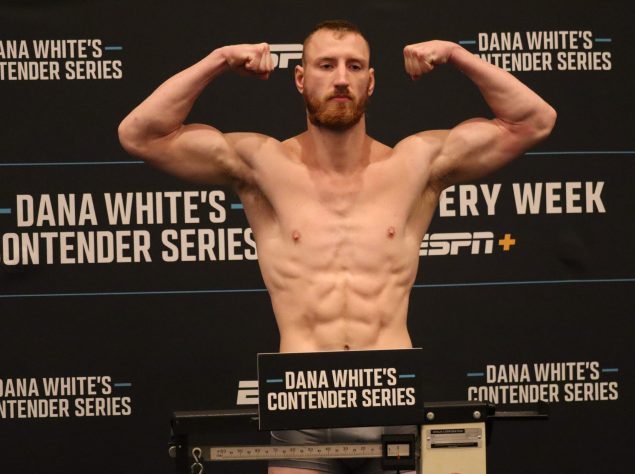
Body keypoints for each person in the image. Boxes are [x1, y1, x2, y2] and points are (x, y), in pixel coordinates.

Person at [119, 19, 555, 474]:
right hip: (301, 406)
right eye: (326, 65)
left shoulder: (415, 164)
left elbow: (534, 120)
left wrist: (456, 54)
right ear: (300, 78)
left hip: (391, 401)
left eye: (355, 66)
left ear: (371, 81)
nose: (342, 79)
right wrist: (220, 60)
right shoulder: (262, 165)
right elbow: (140, 134)